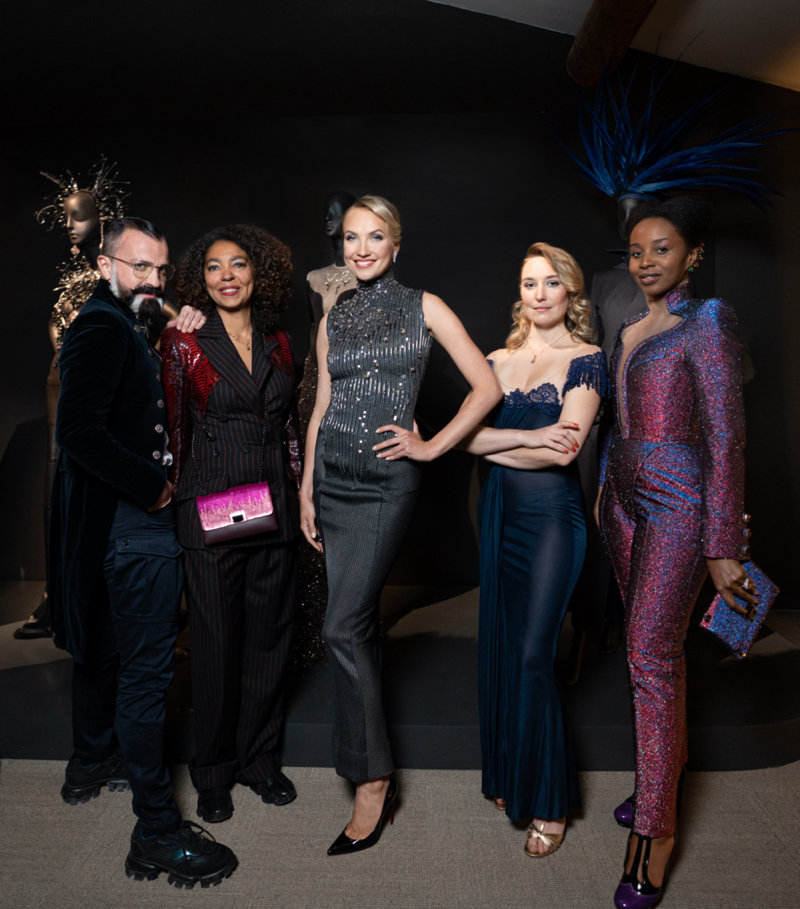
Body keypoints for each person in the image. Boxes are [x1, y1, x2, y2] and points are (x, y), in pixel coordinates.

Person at [300, 195, 502, 855]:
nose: (360, 249)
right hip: (331, 482)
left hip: (386, 486)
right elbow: (322, 405)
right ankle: (367, 759)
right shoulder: (334, 316)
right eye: (350, 238)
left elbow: (486, 387)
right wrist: (306, 489)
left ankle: (373, 777)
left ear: (395, 244)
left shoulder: (424, 306)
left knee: (340, 625)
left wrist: (432, 446)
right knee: (355, 625)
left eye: (374, 237)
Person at [49, 216, 236, 887]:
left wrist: (174, 322)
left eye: (160, 268)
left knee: (103, 650)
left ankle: (91, 758)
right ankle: (155, 830)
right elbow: (77, 431)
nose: (154, 280)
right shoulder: (101, 327)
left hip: (115, 527)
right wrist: (151, 487)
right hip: (135, 526)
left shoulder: (128, 321)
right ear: (105, 266)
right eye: (140, 268)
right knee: (146, 676)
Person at [596, 196, 753, 908]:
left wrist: (723, 543)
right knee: (651, 656)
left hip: (678, 505)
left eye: (661, 248)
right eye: (636, 251)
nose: (646, 261)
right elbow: (618, 424)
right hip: (623, 505)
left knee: (649, 658)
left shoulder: (707, 321)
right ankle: (659, 777)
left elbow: (725, 435)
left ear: (692, 254)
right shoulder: (633, 326)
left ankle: (656, 831)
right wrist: (606, 493)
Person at [461, 242, 608, 857]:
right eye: (529, 283)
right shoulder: (494, 360)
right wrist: (526, 438)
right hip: (498, 512)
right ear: (518, 293)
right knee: (501, 644)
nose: (540, 293)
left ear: (570, 292)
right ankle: (512, 773)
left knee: (532, 656)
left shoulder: (588, 360)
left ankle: (550, 799)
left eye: (551, 282)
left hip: (551, 520)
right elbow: (463, 440)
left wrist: (496, 442)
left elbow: (565, 451)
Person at [161, 224, 301, 824]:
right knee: (217, 645)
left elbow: (290, 428)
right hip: (214, 503)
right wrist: (173, 501)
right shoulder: (185, 340)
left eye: (238, 264)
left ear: (257, 272)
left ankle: (259, 760)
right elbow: (174, 428)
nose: (226, 277)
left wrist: (303, 495)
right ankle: (213, 770)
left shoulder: (279, 341)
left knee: (269, 642)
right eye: (214, 267)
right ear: (201, 279)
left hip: (275, 506)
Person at [292, 190, 357, 670]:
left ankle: (350, 612)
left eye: (341, 213)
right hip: (314, 385)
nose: (331, 220)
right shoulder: (314, 278)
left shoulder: (370, 272)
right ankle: (315, 617)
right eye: (326, 214)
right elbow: (312, 334)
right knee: (311, 489)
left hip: (353, 386)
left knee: (348, 493)